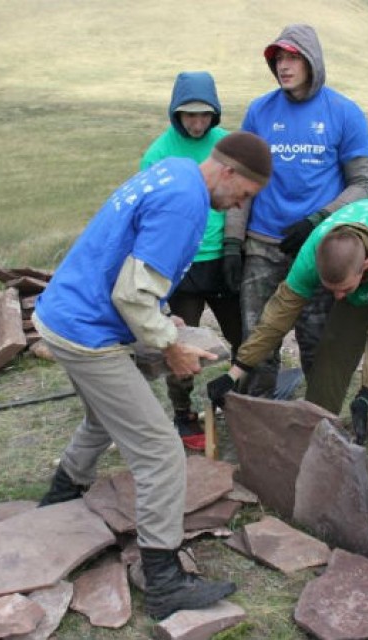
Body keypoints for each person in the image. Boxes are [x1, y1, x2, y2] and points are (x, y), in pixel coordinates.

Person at [33, 131, 272, 620]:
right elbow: (132, 295)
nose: (236, 207)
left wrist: (164, 315)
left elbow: (134, 267)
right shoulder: (187, 203)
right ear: (228, 172)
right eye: (243, 195)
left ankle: (61, 497)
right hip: (88, 333)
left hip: (63, 314)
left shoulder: (174, 173)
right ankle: (163, 579)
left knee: (105, 414)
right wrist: (170, 346)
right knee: (161, 453)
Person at [208, 198, 368, 459]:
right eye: (331, 289)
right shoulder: (311, 256)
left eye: (345, 290)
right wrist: (235, 372)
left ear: (366, 267)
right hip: (367, 263)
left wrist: (366, 397)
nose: (338, 297)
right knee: (333, 350)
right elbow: (276, 318)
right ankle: (314, 431)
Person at [227, 23, 368, 398]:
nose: (284, 66)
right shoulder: (259, 111)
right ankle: (259, 416)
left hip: (320, 246)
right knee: (258, 339)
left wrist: (319, 219)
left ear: (312, 60)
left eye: (292, 57)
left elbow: (362, 184)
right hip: (263, 245)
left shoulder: (345, 113)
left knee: (317, 342)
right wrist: (233, 242)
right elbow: (241, 180)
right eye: (278, 58)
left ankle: (320, 419)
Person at [141, 71, 242, 451]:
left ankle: (241, 397)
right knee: (180, 342)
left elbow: (241, 196)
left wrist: (233, 247)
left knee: (242, 335)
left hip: (223, 258)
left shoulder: (228, 145)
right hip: (181, 266)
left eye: (204, 115)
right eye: (189, 115)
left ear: (215, 113)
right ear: (176, 114)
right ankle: (183, 413)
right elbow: (153, 214)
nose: (197, 123)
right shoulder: (159, 153)